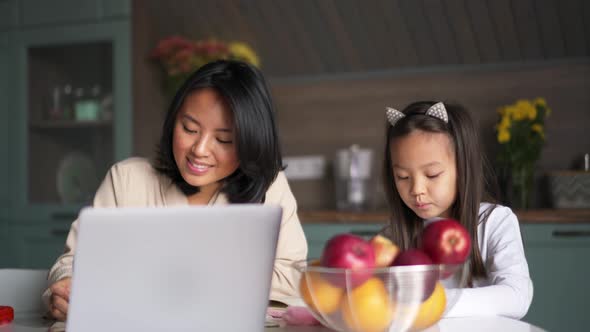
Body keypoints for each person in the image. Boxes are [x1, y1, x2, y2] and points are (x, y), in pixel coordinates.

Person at [43, 60, 308, 321]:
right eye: (189, 128)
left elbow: (292, 277)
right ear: (173, 122)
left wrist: (188, 276)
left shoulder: (269, 186)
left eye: (224, 139)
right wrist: (66, 284)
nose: (200, 150)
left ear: (251, 144)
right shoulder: (126, 179)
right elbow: (75, 261)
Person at [382, 101, 533, 319]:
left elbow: (517, 297)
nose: (416, 189)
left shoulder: (494, 222)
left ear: (462, 168)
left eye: (432, 174)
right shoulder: (392, 235)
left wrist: (434, 303)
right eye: (403, 177)